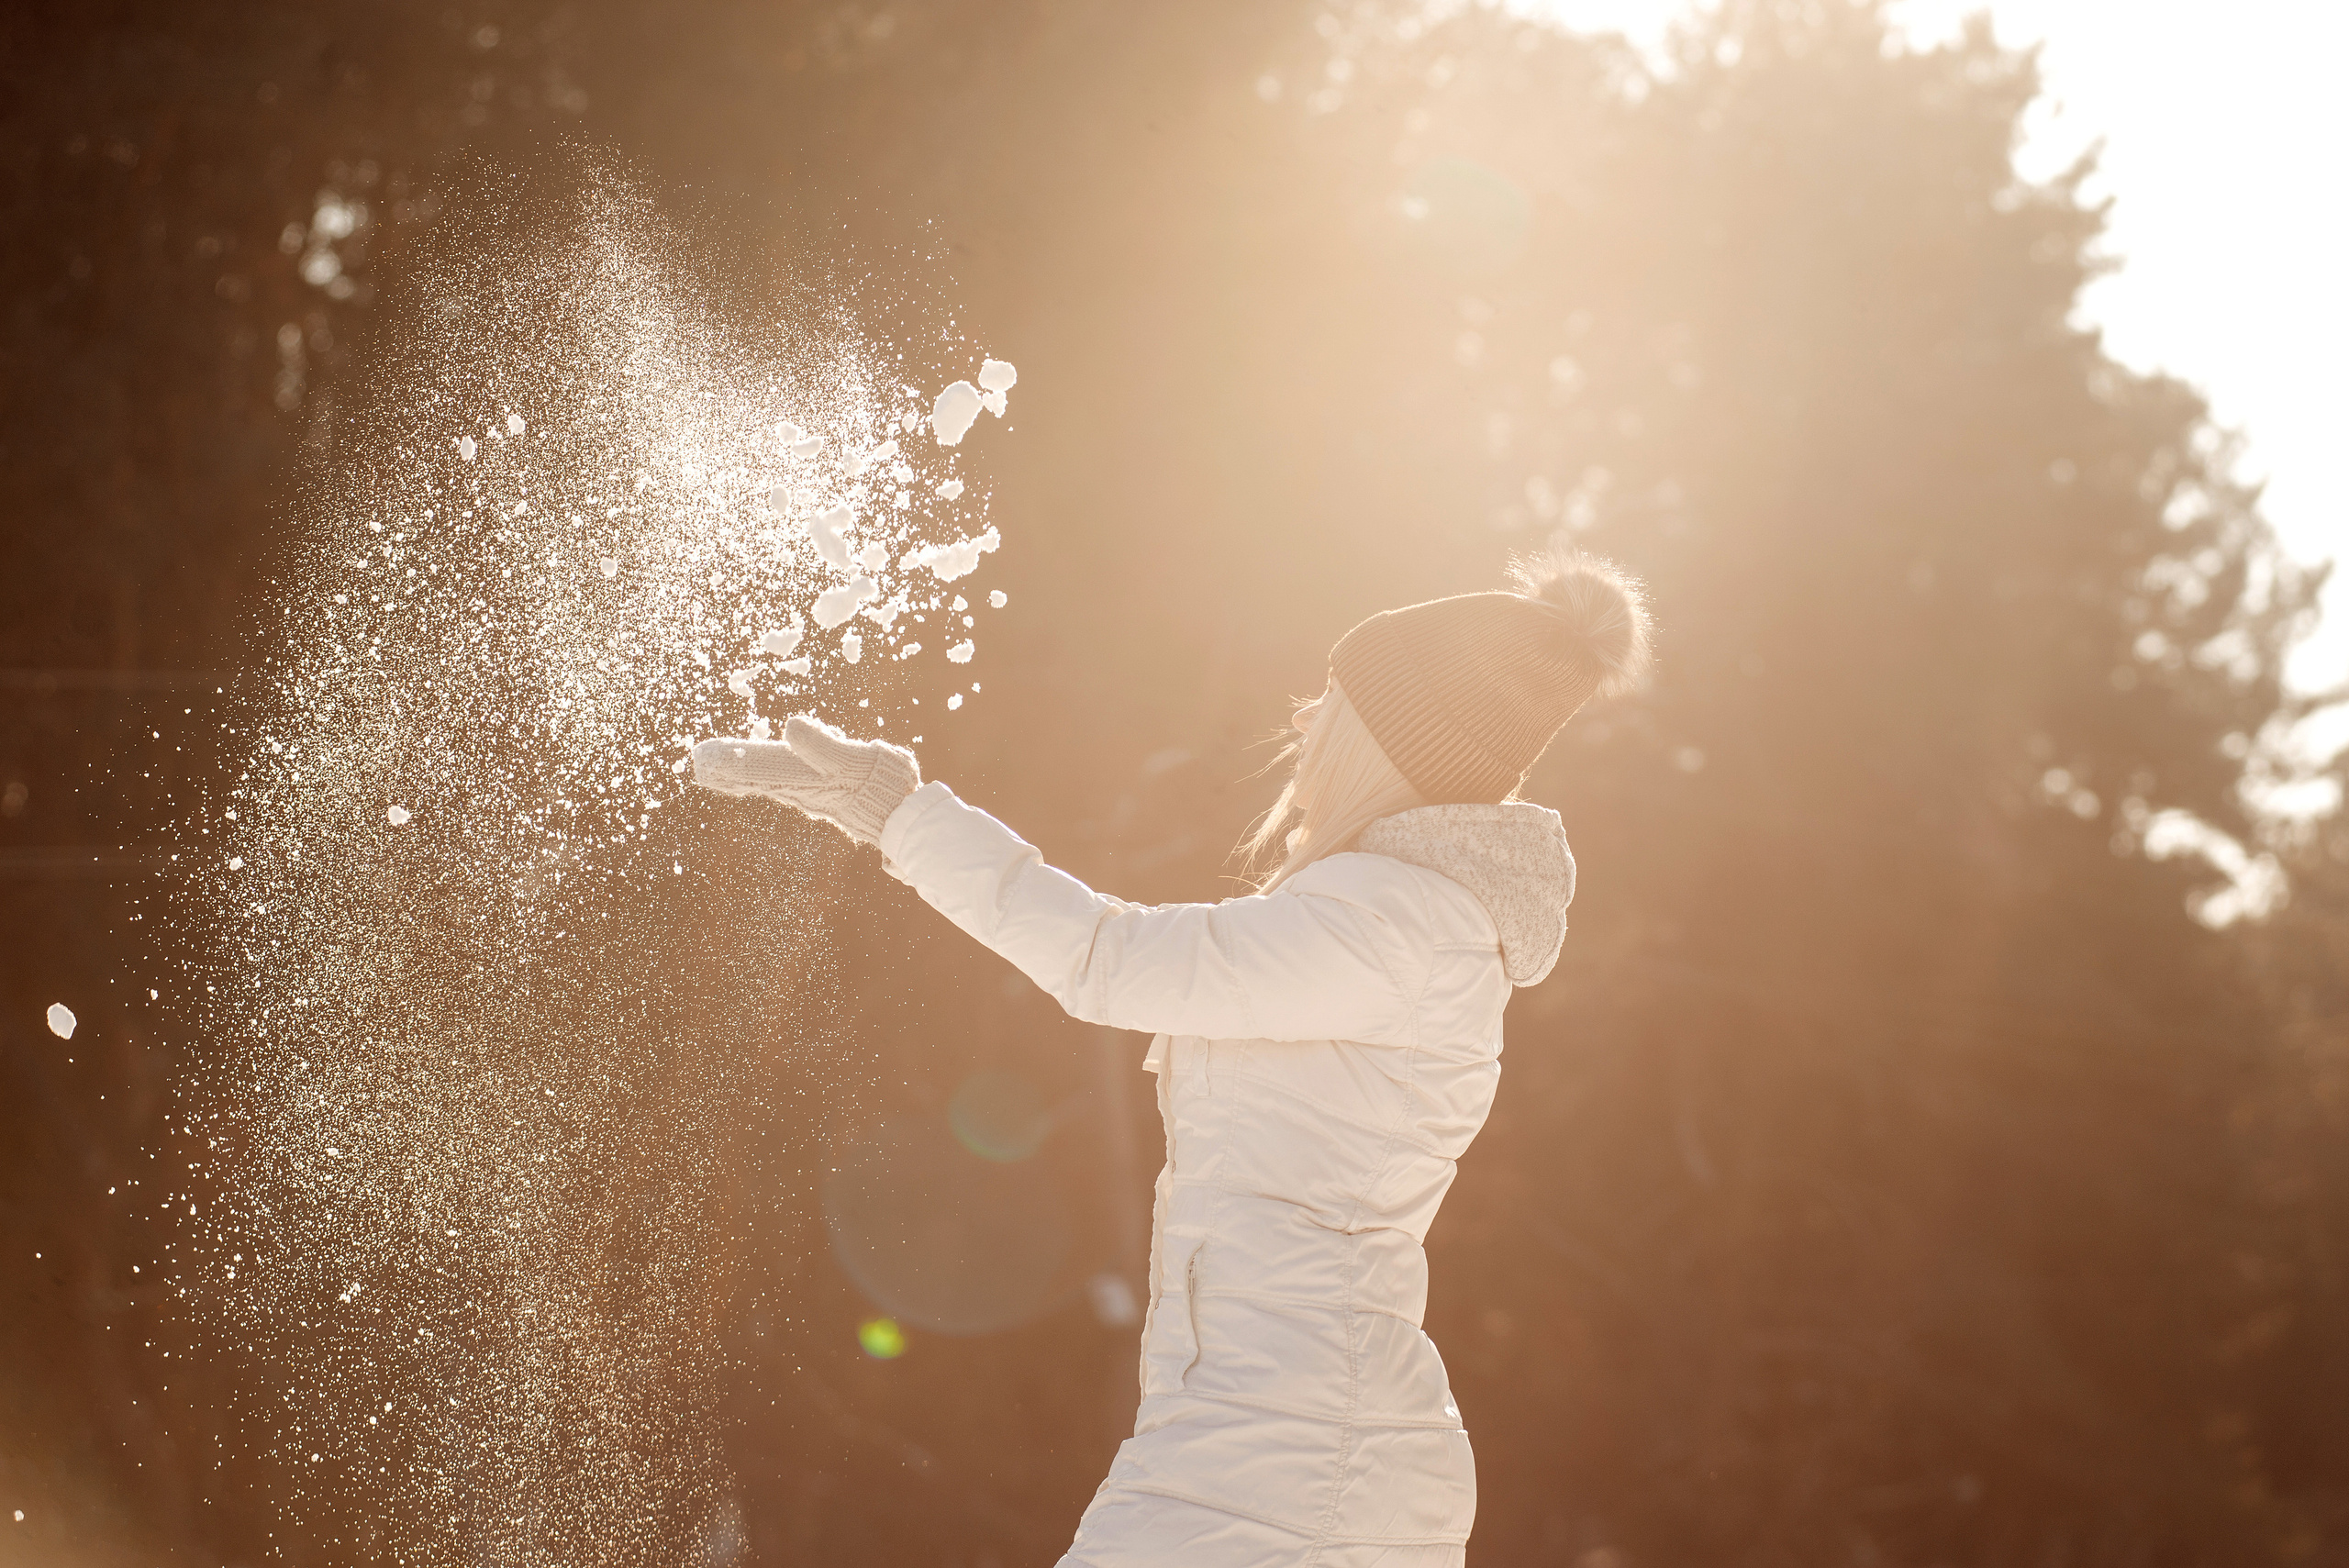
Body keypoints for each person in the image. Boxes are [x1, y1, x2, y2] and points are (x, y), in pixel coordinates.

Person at [691, 541, 1653, 1567]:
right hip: (1290, 1443)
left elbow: (1108, 956)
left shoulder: (1391, 926)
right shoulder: (1395, 922)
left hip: (1278, 1464)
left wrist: (905, 812)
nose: (1301, 721)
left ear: (1389, 741)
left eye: (1332, 700)